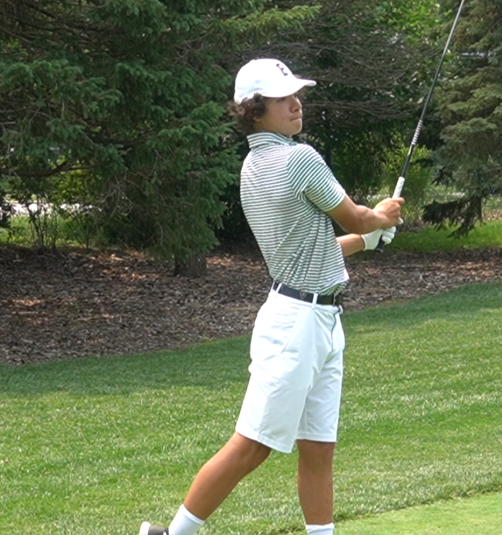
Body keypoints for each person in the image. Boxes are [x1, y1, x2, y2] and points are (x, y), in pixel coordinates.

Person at [141, 58, 403, 535]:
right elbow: (356, 219)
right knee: (251, 446)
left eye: (296, 95)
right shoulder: (300, 158)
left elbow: (316, 248)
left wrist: (369, 237)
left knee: (319, 447)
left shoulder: (253, 165)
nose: (296, 103)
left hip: (318, 319)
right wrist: (380, 219)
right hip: (295, 326)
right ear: (256, 109)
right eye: (284, 98)